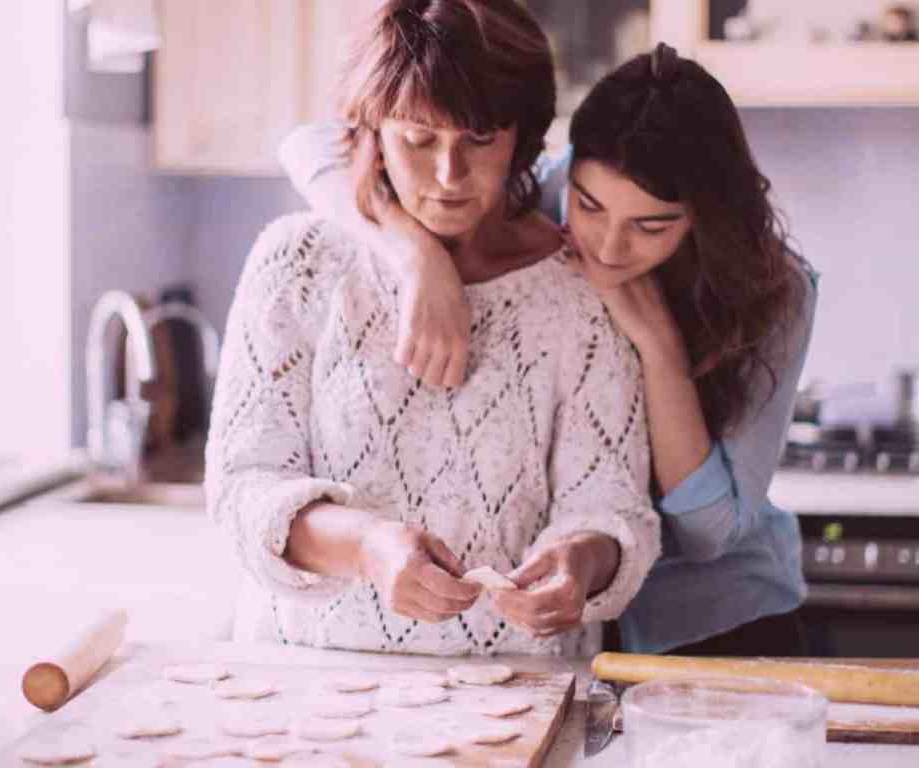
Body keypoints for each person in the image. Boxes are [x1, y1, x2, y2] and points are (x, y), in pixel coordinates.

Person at [279, 42, 817, 655]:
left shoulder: (775, 292)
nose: (610, 246)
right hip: (565, 630)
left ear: (703, 218)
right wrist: (414, 256)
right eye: (589, 207)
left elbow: (708, 533)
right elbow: (315, 146)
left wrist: (658, 346)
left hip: (715, 621)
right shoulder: (536, 195)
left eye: (653, 226)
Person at [205, 0, 660, 657]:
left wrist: (579, 564)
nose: (450, 176)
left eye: (479, 140)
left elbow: (616, 510)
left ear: (523, 137)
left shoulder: (578, 293)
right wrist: (366, 546)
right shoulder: (298, 264)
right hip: (306, 687)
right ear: (374, 133)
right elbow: (245, 488)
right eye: (419, 139)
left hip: (518, 696)